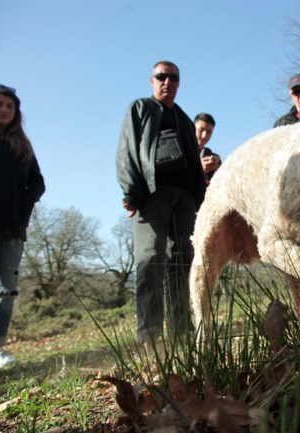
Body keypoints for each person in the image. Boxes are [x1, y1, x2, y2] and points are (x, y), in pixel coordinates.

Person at [116, 61, 206, 345]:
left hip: (185, 199)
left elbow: (193, 164)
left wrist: (200, 200)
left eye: (173, 78)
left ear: (179, 83)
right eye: (161, 77)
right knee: (150, 259)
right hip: (151, 194)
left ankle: (181, 334)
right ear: (152, 80)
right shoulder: (140, 108)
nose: (167, 82)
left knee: (182, 262)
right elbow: (127, 149)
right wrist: (132, 191)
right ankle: (149, 336)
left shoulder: (182, 117)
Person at [0, 84, 45, 372]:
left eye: (9, 106)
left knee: (5, 290)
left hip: (12, 229)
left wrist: (24, 204)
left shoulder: (21, 146)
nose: (3, 110)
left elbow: (37, 182)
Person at [194, 112, 221, 186]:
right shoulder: (180, 152)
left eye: (209, 132)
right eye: (201, 130)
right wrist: (199, 170)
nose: (204, 136)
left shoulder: (212, 157)